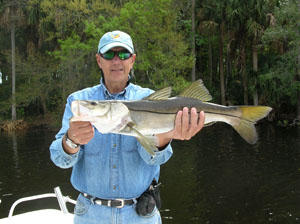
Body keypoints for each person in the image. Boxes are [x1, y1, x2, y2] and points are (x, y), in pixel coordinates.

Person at [49, 30, 205, 224]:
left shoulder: (151, 98)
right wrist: (71, 141)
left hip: (140, 215)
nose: (116, 61)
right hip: (90, 215)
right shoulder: (79, 102)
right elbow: (59, 159)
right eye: (109, 54)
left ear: (132, 60)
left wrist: (164, 138)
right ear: (99, 60)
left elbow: (158, 158)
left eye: (123, 54)